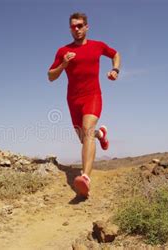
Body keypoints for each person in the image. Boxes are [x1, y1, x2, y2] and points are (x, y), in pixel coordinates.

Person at [48, 12, 120, 198]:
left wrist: (115, 69)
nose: (77, 29)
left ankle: (85, 177)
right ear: (70, 29)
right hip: (73, 100)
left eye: (80, 25)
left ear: (87, 27)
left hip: (93, 96)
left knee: (87, 130)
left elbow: (115, 54)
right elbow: (50, 76)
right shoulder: (63, 51)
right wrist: (63, 64)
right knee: (85, 138)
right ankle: (101, 135)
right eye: (73, 26)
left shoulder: (98, 46)